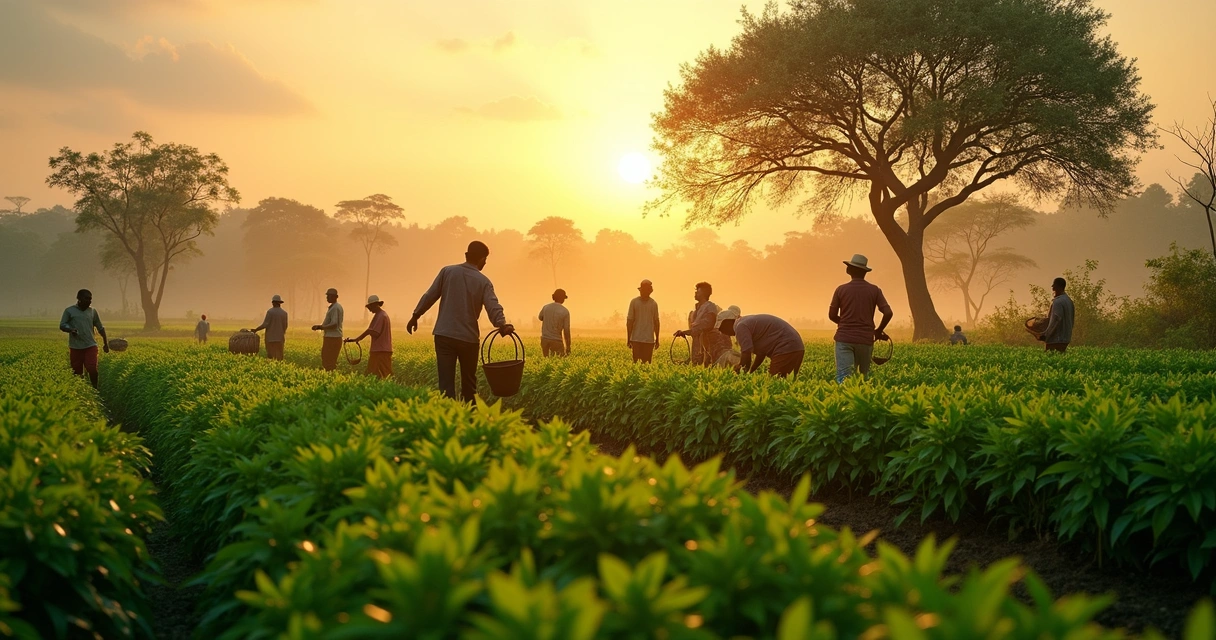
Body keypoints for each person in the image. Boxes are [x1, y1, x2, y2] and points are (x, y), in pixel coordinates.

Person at [408, 241, 514, 403]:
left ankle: (448, 419)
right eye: (485, 259)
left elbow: (430, 296)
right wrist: (502, 324)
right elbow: (493, 306)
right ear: (481, 259)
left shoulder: (447, 272)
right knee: (469, 385)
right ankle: (469, 419)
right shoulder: (483, 281)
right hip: (468, 339)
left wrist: (416, 315)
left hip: (444, 335)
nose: (485, 263)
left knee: (445, 384)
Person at [829, 254, 894, 383]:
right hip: (865, 339)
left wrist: (845, 323)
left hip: (844, 339)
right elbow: (888, 313)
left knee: (844, 377)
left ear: (850, 270)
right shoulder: (875, 290)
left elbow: (831, 315)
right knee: (863, 377)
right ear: (865, 272)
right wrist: (878, 330)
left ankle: (845, 401)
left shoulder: (840, 289)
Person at [716, 310, 805, 377]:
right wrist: (751, 371)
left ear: (727, 322)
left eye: (721, 328)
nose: (722, 332)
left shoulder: (740, 327)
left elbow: (746, 351)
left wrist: (741, 370)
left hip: (786, 348)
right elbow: (761, 354)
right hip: (797, 348)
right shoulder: (746, 323)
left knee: (774, 384)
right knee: (786, 382)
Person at [59, 289, 108, 389]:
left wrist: (105, 343)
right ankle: (80, 391)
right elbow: (62, 325)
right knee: (77, 372)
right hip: (75, 346)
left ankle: (95, 389)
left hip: (90, 345)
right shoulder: (69, 311)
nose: (89, 301)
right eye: (87, 298)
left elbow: (100, 327)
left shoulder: (92, 311)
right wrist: (71, 330)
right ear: (79, 299)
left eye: (90, 299)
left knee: (92, 368)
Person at [674, 282, 724, 365]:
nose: (695, 293)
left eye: (698, 291)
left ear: (704, 293)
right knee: (696, 365)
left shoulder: (710, 307)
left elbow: (708, 324)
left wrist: (687, 332)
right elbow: (695, 327)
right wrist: (685, 332)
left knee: (707, 365)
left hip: (707, 343)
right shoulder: (696, 309)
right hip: (697, 343)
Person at [348, 295, 392, 378]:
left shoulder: (381, 316)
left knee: (382, 374)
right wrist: (357, 339)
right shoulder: (379, 315)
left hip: (381, 350)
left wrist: (359, 338)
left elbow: (375, 332)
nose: (369, 309)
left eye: (370, 307)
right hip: (379, 350)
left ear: (374, 305)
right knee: (375, 374)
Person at [626, 279, 660, 363]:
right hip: (637, 339)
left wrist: (657, 338)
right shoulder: (634, 302)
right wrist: (629, 338)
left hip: (648, 340)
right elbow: (629, 321)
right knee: (639, 364)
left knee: (645, 364)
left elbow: (656, 322)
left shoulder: (653, 304)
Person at [246, 294, 288, 360]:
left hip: (270, 338)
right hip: (280, 338)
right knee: (279, 356)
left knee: (270, 356)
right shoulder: (284, 313)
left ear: (274, 302)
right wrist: (282, 334)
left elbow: (265, 324)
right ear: (279, 303)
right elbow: (285, 326)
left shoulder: (270, 312)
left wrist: (256, 329)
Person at [312, 288, 344, 371]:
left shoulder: (335, 308)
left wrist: (320, 327)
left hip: (332, 338)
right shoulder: (334, 307)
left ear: (335, 297)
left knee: (328, 360)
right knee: (328, 359)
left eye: (329, 296)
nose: (327, 298)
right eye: (327, 296)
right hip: (332, 337)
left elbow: (334, 324)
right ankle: (330, 376)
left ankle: (330, 376)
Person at [1040, 277, 1075, 353]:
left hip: (1056, 338)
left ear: (1058, 286)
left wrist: (1047, 334)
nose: (1052, 287)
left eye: (1054, 285)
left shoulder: (1058, 302)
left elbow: (1055, 320)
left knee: (1050, 360)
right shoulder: (1069, 301)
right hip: (1066, 337)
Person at [538, 288, 571, 357]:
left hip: (544, 340)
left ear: (553, 297)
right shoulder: (565, 311)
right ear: (563, 299)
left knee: (546, 361)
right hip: (557, 341)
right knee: (558, 362)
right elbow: (566, 330)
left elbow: (540, 317)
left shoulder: (546, 307)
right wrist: (568, 346)